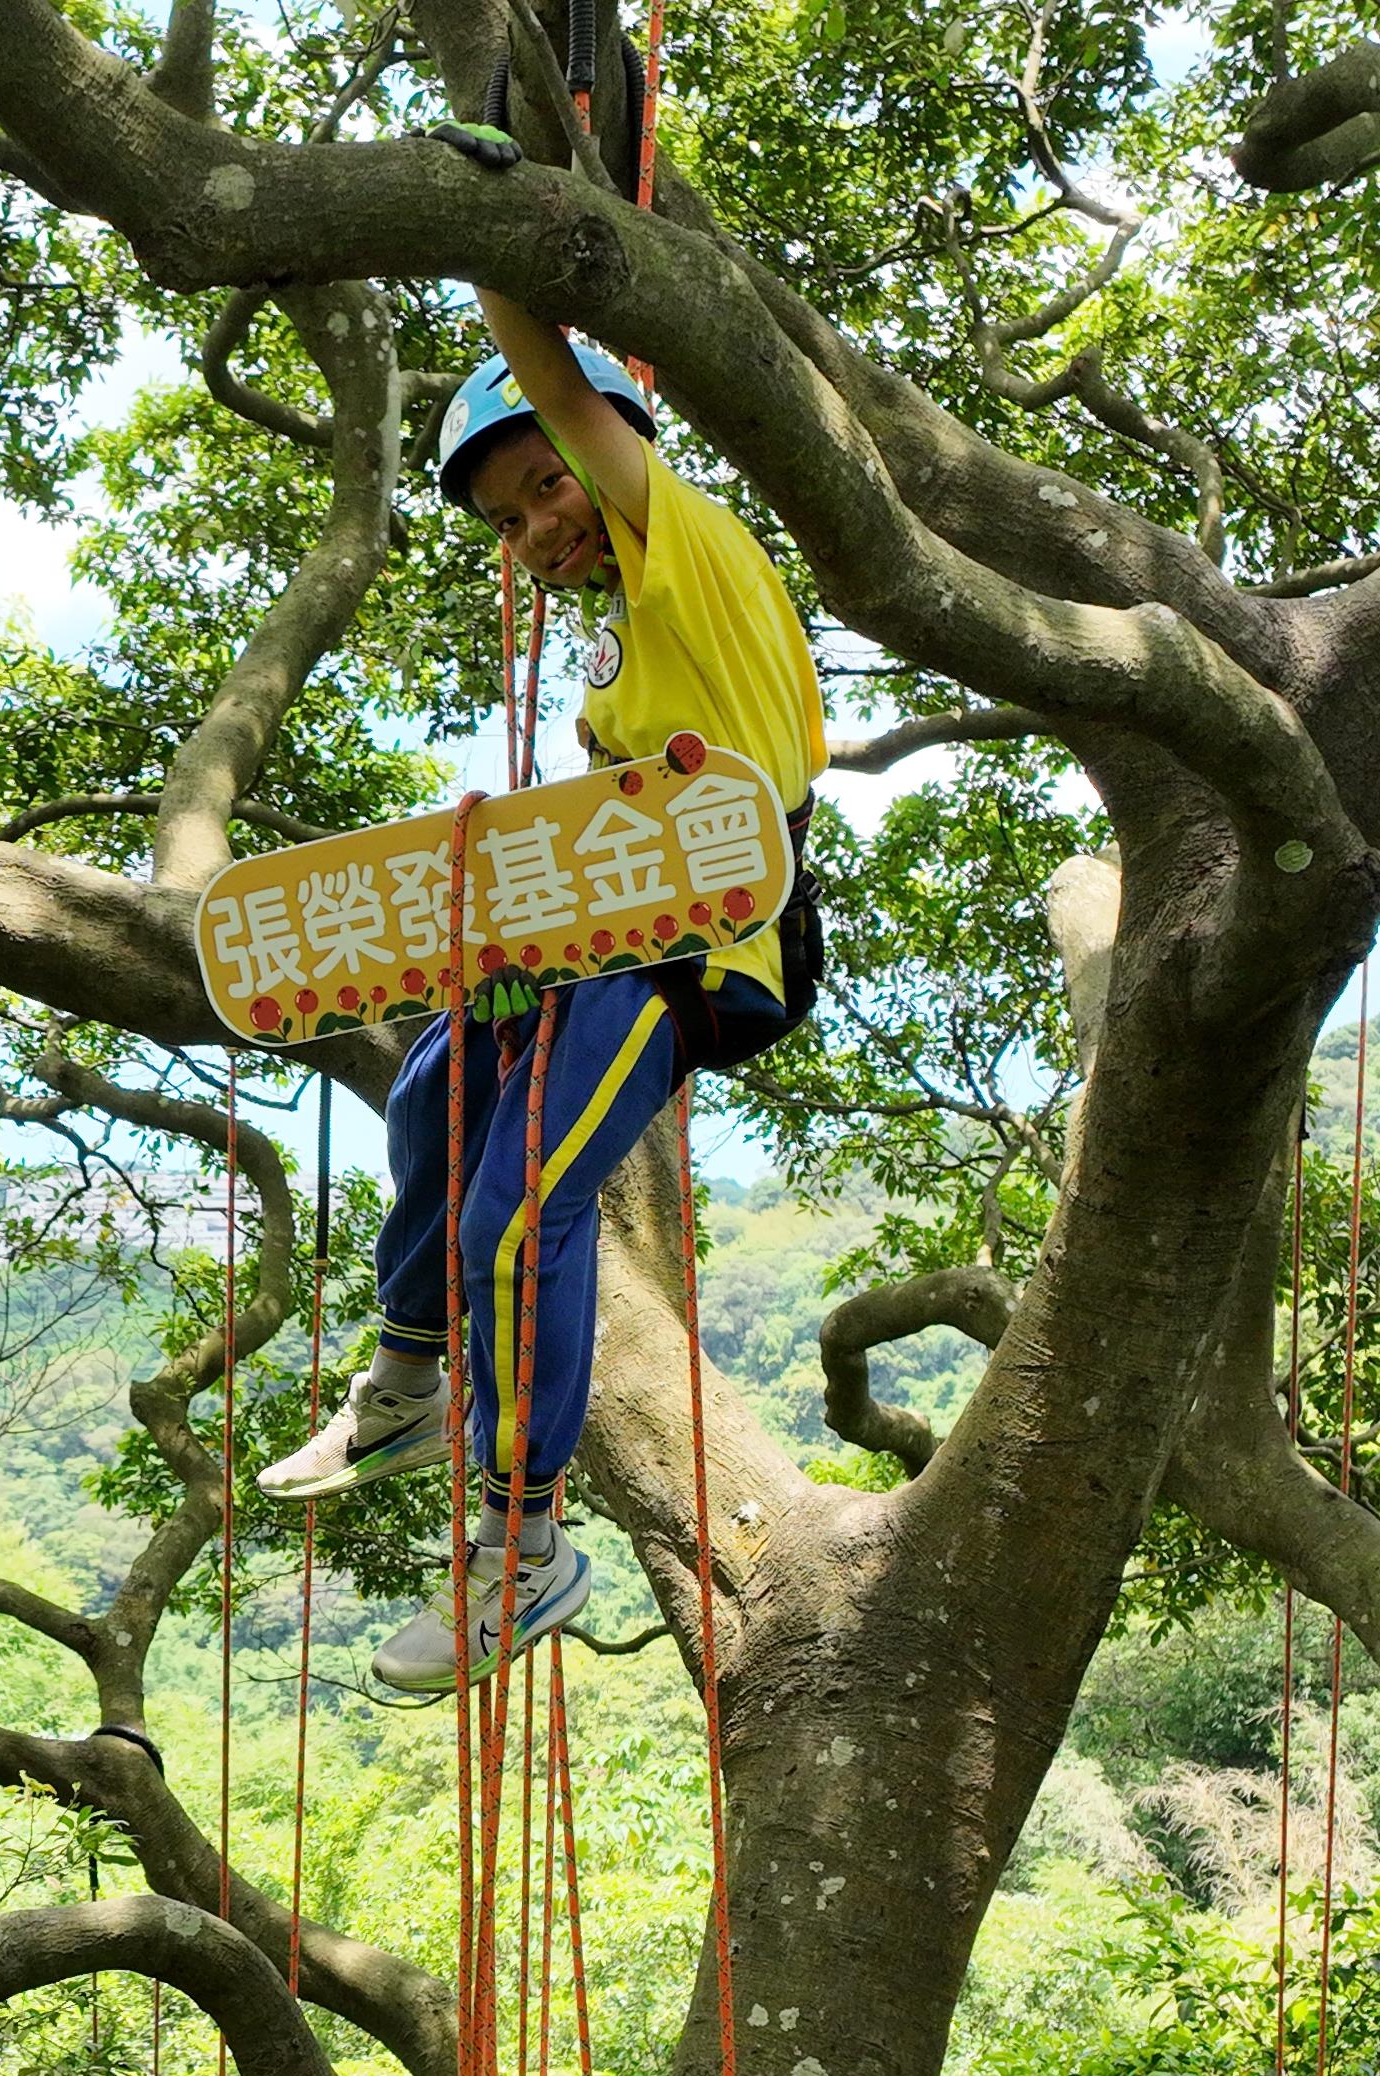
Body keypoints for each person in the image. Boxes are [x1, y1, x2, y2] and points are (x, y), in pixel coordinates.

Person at [257, 294, 825, 1702]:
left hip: (705, 948)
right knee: (430, 1087)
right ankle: (409, 1379)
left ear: (613, 451)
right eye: (505, 522)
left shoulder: (686, 549)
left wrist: (496, 251)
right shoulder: (628, 636)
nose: (532, 531)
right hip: (602, 932)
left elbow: (566, 394)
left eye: (544, 488)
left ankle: (521, 1548)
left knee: (513, 1223)